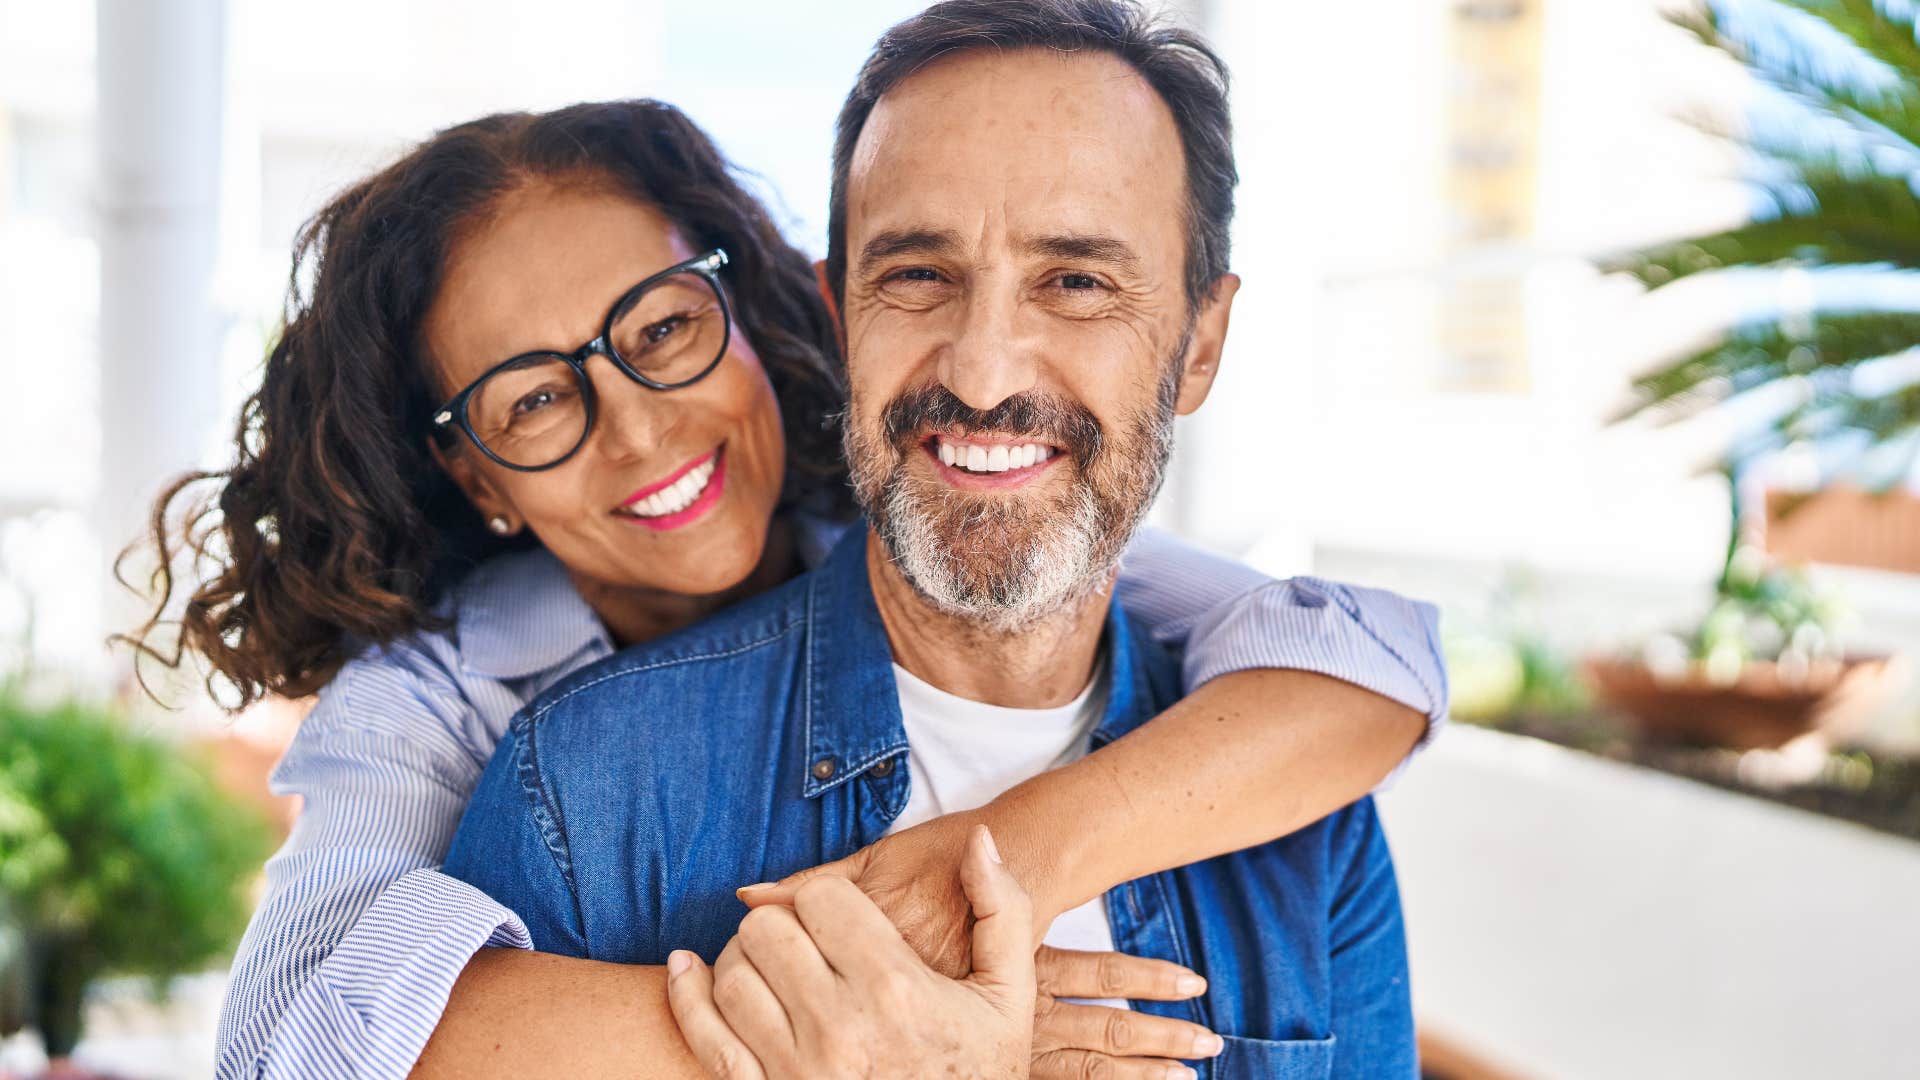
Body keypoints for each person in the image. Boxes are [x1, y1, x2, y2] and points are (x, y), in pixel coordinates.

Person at [123, 17, 1442, 1080]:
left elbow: (1348, 655)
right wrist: (863, 1035)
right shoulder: (514, 749)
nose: (640, 434)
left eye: (658, 333)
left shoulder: (1273, 798)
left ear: (754, 314)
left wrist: (1001, 867)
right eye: (533, 399)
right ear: (476, 476)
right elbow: (293, 1042)